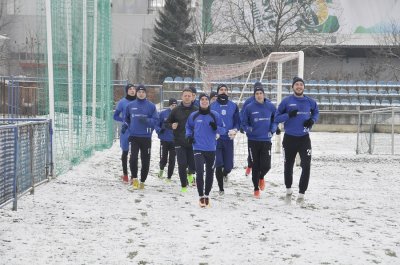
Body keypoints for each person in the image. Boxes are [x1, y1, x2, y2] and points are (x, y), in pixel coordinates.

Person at [274, 77, 319, 203]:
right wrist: (288, 115)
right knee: (288, 165)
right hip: (289, 139)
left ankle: (301, 193)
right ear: (292, 87)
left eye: (301, 84)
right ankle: (288, 189)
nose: (299, 86)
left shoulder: (310, 101)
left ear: (304, 87)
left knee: (306, 166)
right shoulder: (286, 101)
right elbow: (276, 118)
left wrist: (312, 120)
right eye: (296, 84)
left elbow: (316, 113)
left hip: (304, 139)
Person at [186, 93, 225, 207]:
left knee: (209, 173)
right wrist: (189, 136)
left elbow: (223, 130)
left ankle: (207, 195)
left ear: (209, 102)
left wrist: (216, 128)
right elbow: (188, 127)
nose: (204, 101)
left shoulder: (215, 115)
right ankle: (200, 196)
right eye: (202, 99)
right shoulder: (194, 115)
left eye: (206, 99)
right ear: (199, 101)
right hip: (197, 147)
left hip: (211, 148)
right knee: (199, 172)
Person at [241, 83, 278, 198]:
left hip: (266, 140)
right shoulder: (249, 107)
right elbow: (244, 122)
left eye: (260, 93)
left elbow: (275, 119)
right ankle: (256, 188)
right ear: (254, 95)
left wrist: (273, 129)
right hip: (253, 140)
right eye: (256, 93)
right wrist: (248, 129)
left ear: (264, 94)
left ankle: (261, 177)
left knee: (266, 165)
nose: (259, 95)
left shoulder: (270, 106)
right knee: (255, 165)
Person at [123, 84, 159, 189]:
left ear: (145, 93)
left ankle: (142, 181)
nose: (141, 93)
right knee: (133, 158)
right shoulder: (130, 105)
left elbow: (156, 121)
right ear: (137, 93)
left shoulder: (151, 106)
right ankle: (134, 179)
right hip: (134, 136)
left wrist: (147, 120)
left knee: (145, 160)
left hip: (146, 137)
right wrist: (125, 126)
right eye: (139, 92)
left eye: (143, 92)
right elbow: (126, 119)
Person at [166, 88, 198, 192]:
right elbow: (166, 123)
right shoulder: (176, 110)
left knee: (193, 165)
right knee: (182, 164)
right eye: (185, 96)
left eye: (189, 96)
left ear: (192, 97)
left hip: (192, 142)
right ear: (182, 97)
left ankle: (190, 173)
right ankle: (184, 186)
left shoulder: (197, 110)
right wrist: (172, 125)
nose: (187, 97)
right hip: (179, 141)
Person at [210, 84, 240, 195]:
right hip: (217, 140)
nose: (223, 91)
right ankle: (221, 188)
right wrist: (213, 131)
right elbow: (208, 122)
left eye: (225, 90)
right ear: (217, 92)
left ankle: (225, 174)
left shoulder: (233, 106)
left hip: (228, 139)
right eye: (221, 90)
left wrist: (235, 130)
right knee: (218, 163)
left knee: (228, 166)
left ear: (228, 92)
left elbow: (237, 121)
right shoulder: (212, 106)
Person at [113, 83, 136, 183]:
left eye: (133, 89)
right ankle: (125, 175)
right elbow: (115, 116)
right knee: (125, 152)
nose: (132, 90)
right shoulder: (122, 102)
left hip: (136, 131)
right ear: (127, 91)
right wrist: (124, 120)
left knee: (134, 154)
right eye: (130, 89)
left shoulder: (138, 101)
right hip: (125, 131)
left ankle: (133, 176)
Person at [239, 82, 258, 176]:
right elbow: (242, 113)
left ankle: (260, 173)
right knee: (252, 150)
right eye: (256, 89)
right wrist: (243, 126)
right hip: (251, 131)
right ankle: (250, 166)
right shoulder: (248, 101)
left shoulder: (266, 102)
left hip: (263, 131)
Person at [156, 98, 178, 181]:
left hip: (174, 141)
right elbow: (157, 124)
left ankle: (169, 176)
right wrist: (159, 131)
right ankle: (161, 169)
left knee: (172, 159)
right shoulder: (163, 114)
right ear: (169, 105)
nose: (174, 107)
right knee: (164, 158)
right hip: (164, 140)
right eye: (172, 105)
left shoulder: (178, 114)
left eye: (176, 105)